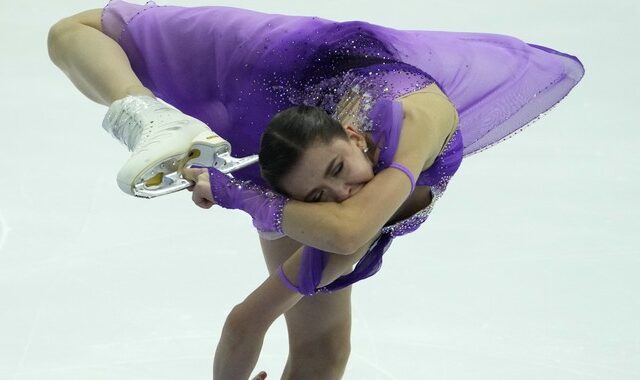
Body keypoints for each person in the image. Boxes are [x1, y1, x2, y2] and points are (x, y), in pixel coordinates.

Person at [47, 1, 584, 378]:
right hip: (282, 138)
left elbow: (349, 229)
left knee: (323, 347)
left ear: (354, 135)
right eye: (319, 197)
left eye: (338, 169)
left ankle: (167, 120)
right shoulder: (321, 201)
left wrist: (243, 195)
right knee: (70, 32)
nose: (344, 191)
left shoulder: (412, 114)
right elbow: (248, 319)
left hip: (283, 62)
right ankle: (147, 115)